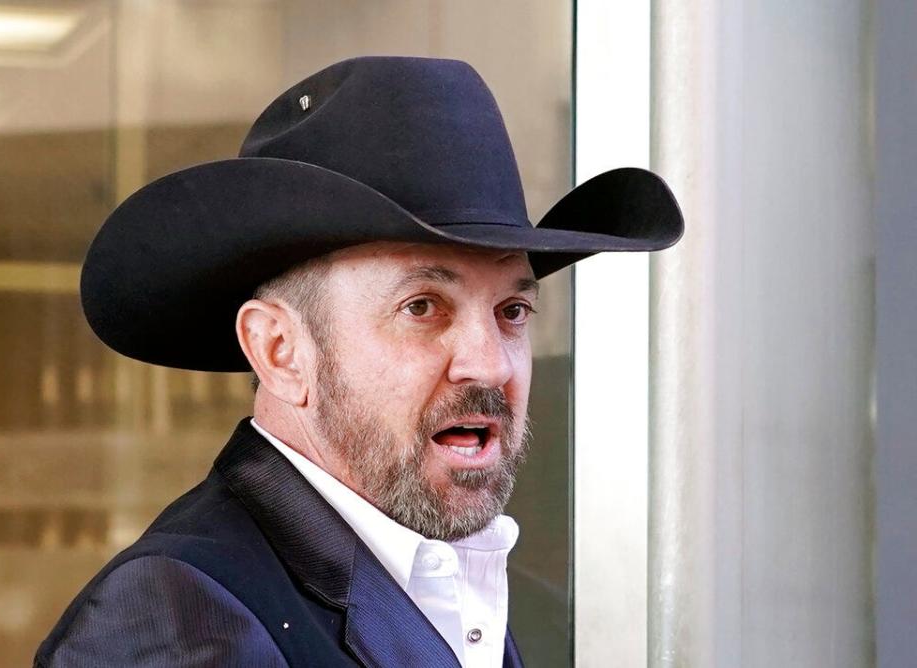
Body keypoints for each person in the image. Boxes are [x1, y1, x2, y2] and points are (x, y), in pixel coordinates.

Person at [34, 56, 682, 667]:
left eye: (511, 311)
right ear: (280, 352)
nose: (488, 365)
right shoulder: (174, 619)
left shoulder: (465, 583)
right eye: (423, 307)